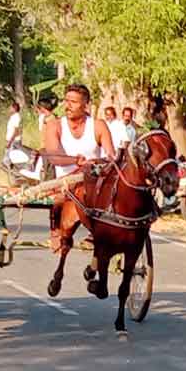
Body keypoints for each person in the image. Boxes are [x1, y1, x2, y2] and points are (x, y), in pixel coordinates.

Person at [43, 84, 116, 252]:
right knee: (59, 200)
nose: (68, 106)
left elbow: (110, 155)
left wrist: (98, 162)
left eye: (73, 102)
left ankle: (99, 232)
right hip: (65, 184)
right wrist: (75, 161)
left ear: (86, 105)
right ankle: (56, 229)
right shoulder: (55, 125)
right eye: (66, 101)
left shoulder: (98, 126)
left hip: (94, 182)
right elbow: (54, 156)